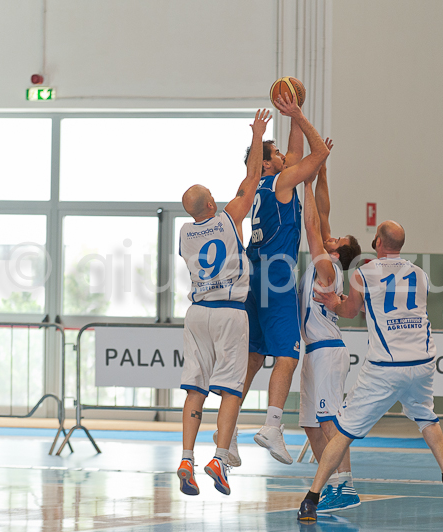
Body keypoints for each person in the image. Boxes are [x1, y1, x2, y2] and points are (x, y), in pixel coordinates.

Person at [297, 221, 443, 523]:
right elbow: (398, 307)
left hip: (386, 366)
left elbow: (350, 311)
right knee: (427, 419)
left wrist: (335, 302)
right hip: (422, 362)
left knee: (343, 432)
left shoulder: (364, 272)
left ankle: (311, 498)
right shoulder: (420, 274)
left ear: (377, 242)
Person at [176, 110, 271, 496]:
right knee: (231, 388)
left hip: (196, 312)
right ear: (212, 204)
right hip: (229, 311)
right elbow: (251, 180)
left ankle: (186, 458)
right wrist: (259, 135)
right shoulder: (230, 218)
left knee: (195, 389)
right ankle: (218, 457)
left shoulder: (185, 233)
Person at [238, 90, 331, 466]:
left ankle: (224, 429)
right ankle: (272, 425)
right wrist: (302, 119)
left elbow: (292, 154)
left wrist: (293, 112)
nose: (284, 158)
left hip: (252, 276)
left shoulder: (253, 188)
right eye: (275, 156)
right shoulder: (281, 183)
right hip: (277, 277)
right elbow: (318, 155)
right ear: (266, 165)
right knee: (288, 356)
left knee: (255, 356)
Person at [297, 144, 363, 513]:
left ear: (339, 251)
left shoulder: (328, 269)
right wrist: (321, 172)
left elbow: (312, 224)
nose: (331, 235)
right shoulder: (330, 261)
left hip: (327, 350)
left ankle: (347, 486)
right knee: (311, 425)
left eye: (337, 238)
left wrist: (304, 179)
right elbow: (323, 212)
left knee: (329, 423)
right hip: (314, 351)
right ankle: (331, 485)